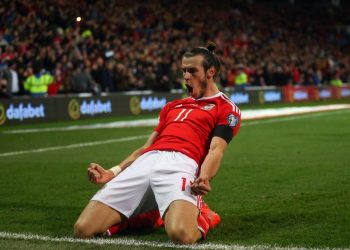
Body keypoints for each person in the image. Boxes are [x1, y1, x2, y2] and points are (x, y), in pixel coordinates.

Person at [74, 42, 242, 244]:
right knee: (83, 229)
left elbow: (216, 150)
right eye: (183, 71)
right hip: (146, 162)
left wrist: (204, 176)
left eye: (192, 71)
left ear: (210, 72)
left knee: (182, 236)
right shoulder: (172, 106)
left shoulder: (226, 108)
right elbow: (145, 148)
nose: (186, 76)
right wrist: (112, 172)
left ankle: (204, 215)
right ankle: (151, 215)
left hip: (181, 164)